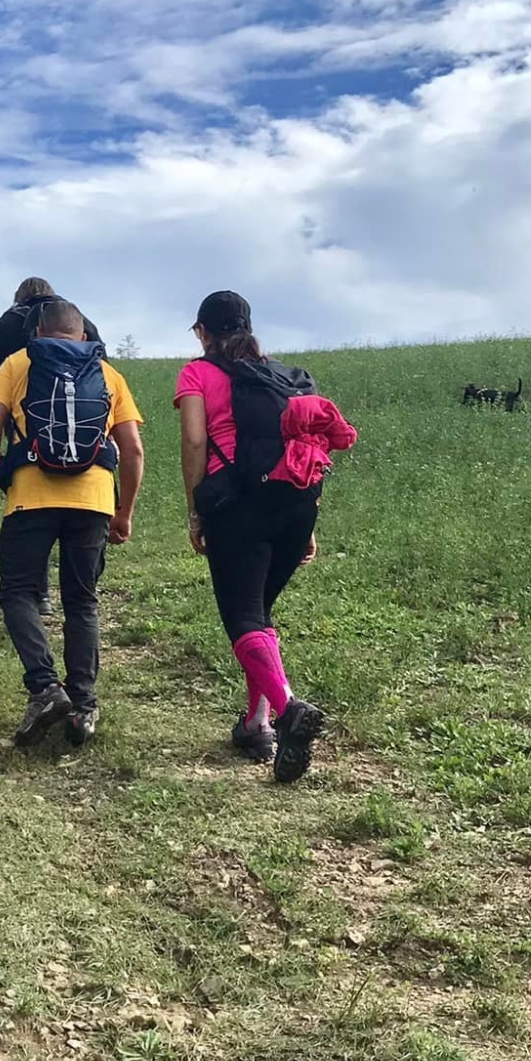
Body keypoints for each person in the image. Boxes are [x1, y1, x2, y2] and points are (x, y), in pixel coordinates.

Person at [176, 290, 355, 783]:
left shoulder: (197, 373)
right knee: (260, 612)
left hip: (237, 506)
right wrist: (309, 523)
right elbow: (309, 445)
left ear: (202, 332)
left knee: (243, 619)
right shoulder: (286, 377)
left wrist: (195, 512)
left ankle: (287, 709)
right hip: (296, 505)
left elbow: (194, 439)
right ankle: (257, 725)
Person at [0, 300, 144, 746]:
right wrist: (123, 511)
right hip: (94, 501)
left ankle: (45, 687)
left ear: (38, 332)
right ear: (83, 335)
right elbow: (133, 449)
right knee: (81, 601)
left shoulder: (19, 363)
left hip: (30, 498)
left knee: (18, 592)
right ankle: (83, 706)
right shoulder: (107, 373)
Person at [0, 277, 103, 389]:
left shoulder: (7, 322)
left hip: (23, 399)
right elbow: (102, 367)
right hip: (84, 397)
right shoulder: (79, 320)